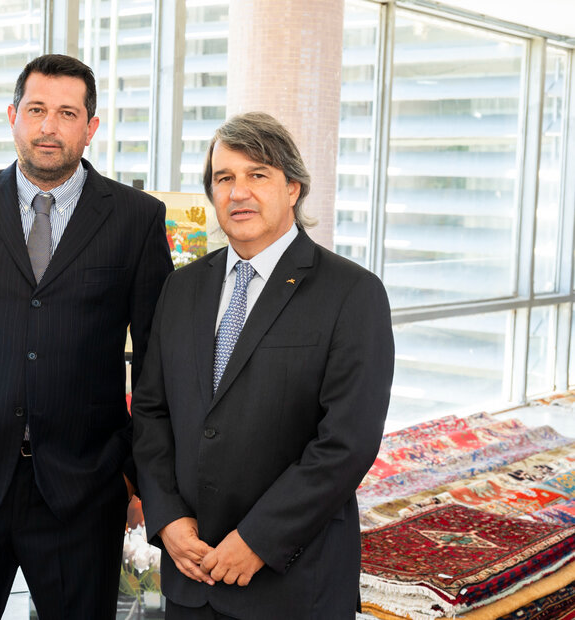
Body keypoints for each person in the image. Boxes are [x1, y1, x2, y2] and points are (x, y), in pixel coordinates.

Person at [0, 54, 173, 619]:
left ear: (90, 127)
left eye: (67, 113)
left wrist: (136, 474)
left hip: (83, 486)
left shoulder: (137, 219)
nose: (49, 126)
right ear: (13, 116)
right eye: (37, 109)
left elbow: (155, 360)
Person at [132, 111, 394, 619]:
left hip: (291, 584)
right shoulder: (182, 288)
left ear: (293, 188)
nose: (238, 192)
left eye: (258, 175)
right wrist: (167, 520)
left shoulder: (352, 294)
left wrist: (257, 539)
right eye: (224, 178)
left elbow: (346, 442)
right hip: (190, 577)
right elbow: (152, 412)